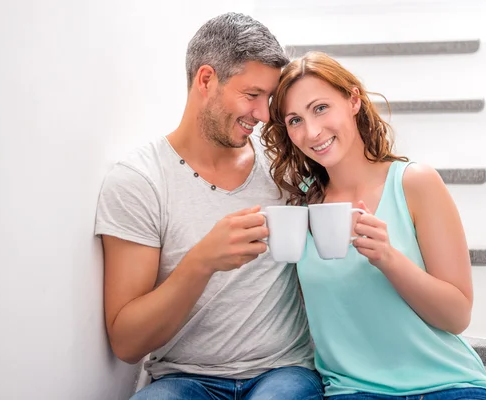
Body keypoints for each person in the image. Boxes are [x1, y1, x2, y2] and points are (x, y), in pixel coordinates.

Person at [94, 13, 322, 400]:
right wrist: (202, 262)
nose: (265, 115)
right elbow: (127, 343)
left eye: (268, 99)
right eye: (252, 96)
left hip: (284, 373)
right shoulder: (140, 180)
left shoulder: (284, 164)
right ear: (205, 80)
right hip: (183, 379)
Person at [260, 51, 486, 400]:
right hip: (353, 391)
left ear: (353, 101)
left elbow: (457, 316)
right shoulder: (298, 205)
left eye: (321, 108)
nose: (312, 131)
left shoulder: (415, 183)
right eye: (295, 120)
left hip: (447, 385)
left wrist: (388, 258)